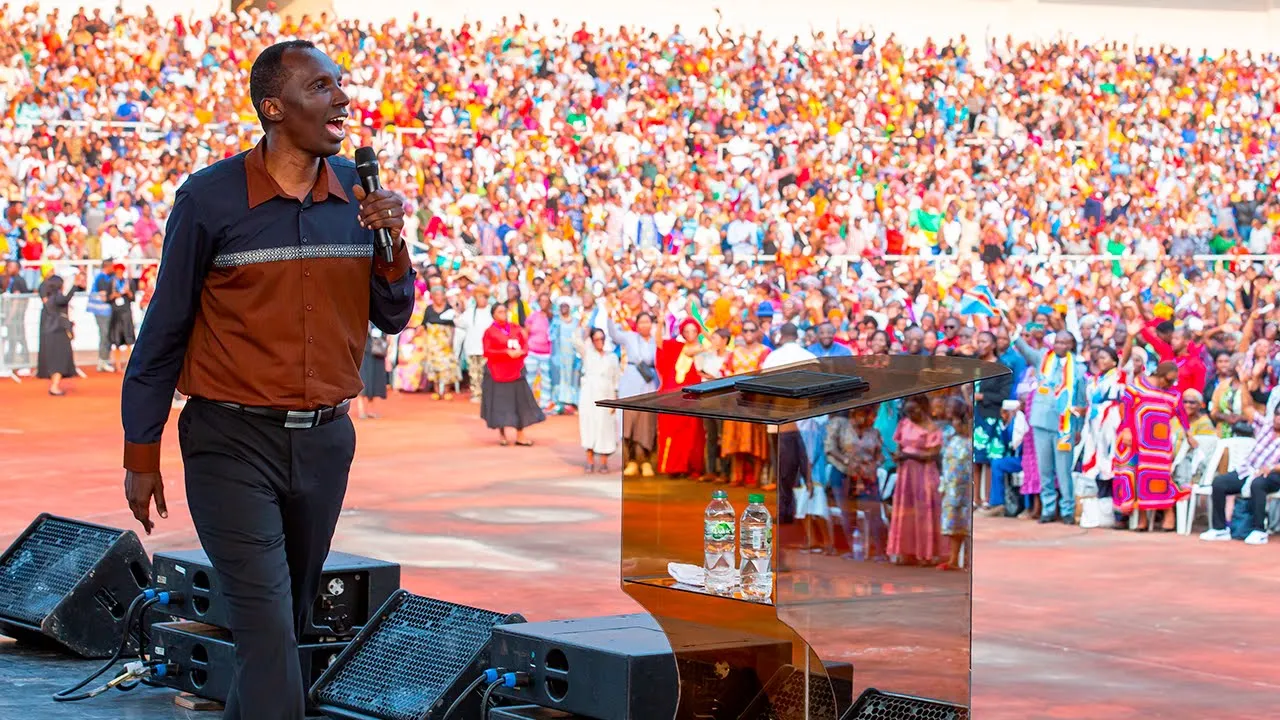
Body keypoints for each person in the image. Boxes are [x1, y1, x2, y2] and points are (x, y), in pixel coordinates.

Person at [120, 40, 415, 720]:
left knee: (283, 627)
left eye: (340, 83)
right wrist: (141, 454)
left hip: (325, 444)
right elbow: (164, 330)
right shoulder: (208, 198)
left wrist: (394, 244)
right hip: (228, 443)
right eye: (321, 87)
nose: (342, 98)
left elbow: (394, 316)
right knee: (267, 630)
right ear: (274, 108)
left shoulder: (360, 194)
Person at [1113, 362, 1198, 531]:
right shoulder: (1137, 387)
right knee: (1138, 476)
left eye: (1173, 381)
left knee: (1159, 477)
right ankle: (1142, 518)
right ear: (1159, 375)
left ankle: (1168, 513)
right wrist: (1127, 430)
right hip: (1137, 440)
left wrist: (1188, 433)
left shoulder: (1172, 394)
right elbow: (1126, 409)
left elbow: (1181, 413)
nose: (1169, 384)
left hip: (1159, 444)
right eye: (1168, 380)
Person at [1199, 389, 1280, 546]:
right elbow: (1248, 408)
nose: (1278, 418)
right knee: (1219, 483)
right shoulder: (1266, 426)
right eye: (1277, 414)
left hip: (1273, 474)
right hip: (1248, 470)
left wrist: (1271, 468)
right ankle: (1219, 528)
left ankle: (1259, 530)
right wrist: (1244, 384)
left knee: (1258, 484)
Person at [481, 301, 545, 445]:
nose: (503, 314)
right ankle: (502, 434)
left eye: (505, 311)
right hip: (497, 372)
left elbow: (525, 345)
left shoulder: (515, 328)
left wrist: (521, 352)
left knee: (519, 403)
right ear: (493, 315)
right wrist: (505, 352)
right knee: (500, 404)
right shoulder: (490, 332)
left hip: (516, 372)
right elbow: (487, 351)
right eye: (500, 312)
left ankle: (520, 435)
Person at [576, 326, 621, 472]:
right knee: (589, 426)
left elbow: (616, 380)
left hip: (606, 394)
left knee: (605, 427)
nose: (599, 341)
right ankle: (590, 461)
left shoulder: (612, 357)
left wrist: (615, 399)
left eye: (601, 339)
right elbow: (576, 341)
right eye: (596, 339)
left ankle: (603, 462)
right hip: (589, 395)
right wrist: (583, 328)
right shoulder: (588, 354)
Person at [939, 396, 974, 571]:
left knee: (968, 524)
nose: (955, 424)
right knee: (954, 524)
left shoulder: (971, 439)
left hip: (967, 488)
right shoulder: (950, 437)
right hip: (952, 487)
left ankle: (968, 561)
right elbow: (945, 462)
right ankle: (953, 559)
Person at [36, 272, 84, 396]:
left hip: (51, 333)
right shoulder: (56, 298)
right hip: (58, 333)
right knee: (59, 360)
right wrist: (75, 286)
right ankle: (54, 386)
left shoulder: (49, 300)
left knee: (55, 360)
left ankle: (54, 385)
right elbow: (65, 299)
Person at [356, 324, 389, 419]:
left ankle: (372, 410)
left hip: (378, 354)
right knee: (364, 381)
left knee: (376, 382)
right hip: (365, 354)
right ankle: (362, 410)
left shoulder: (380, 320)